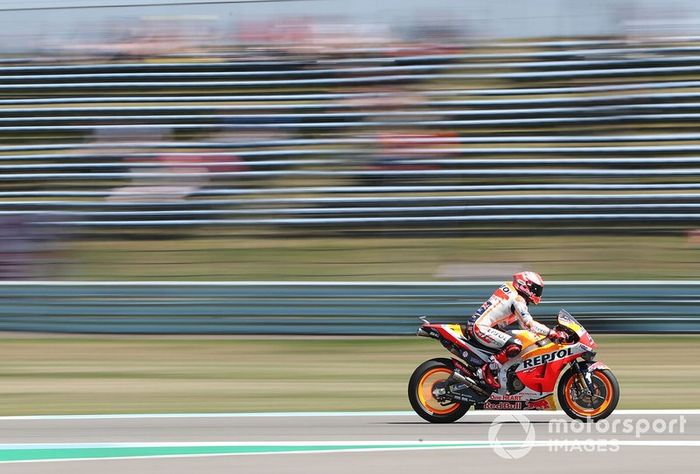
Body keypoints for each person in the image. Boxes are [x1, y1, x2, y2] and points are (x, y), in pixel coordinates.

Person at [468, 271, 568, 390]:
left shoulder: (510, 288)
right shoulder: (518, 299)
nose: (537, 293)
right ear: (525, 285)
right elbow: (529, 324)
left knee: (519, 339)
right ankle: (486, 372)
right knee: (515, 345)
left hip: (481, 325)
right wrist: (551, 333)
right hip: (481, 328)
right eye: (535, 289)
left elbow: (523, 326)